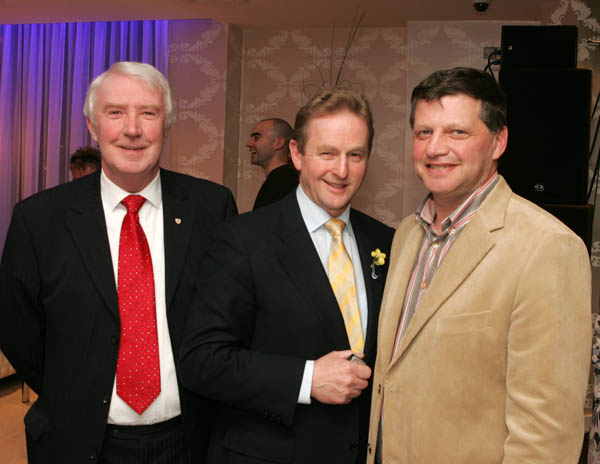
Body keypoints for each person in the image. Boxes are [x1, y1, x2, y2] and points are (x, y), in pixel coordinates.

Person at [0, 61, 237, 464]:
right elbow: (17, 329)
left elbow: (232, 317)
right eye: (115, 113)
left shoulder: (212, 208)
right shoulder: (39, 219)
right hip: (74, 440)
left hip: (190, 439)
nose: (132, 129)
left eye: (148, 113)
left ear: (165, 126)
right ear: (93, 127)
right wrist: (73, 389)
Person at [367, 67, 591, 463]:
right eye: (423, 133)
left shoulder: (546, 247)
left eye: (457, 132)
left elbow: (546, 435)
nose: (435, 148)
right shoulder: (405, 235)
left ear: (498, 141)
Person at [180, 88, 394, 464]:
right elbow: (202, 361)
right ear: (296, 153)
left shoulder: (386, 241)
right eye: (327, 153)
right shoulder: (242, 239)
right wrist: (308, 379)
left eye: (354, 155)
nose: (341, 171)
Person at [247, 118, 298, 210]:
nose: (248, 144)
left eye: (256, 138)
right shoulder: (284, 179)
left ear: (278, 143)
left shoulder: (282, 182)